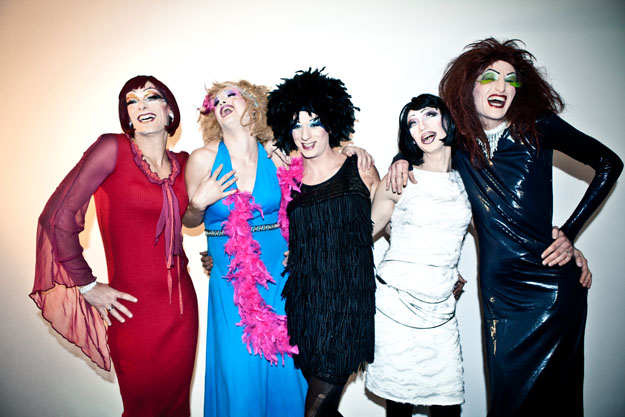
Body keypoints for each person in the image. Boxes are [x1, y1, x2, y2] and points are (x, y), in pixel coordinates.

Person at [388, 38, 622, 416]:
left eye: (510, 80)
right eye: (489, 77)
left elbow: (609, 163)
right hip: (500, 292)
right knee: (507, 401)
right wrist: (400, 158)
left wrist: (570, 232)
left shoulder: (538, 127)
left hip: (551, 289)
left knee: (557, 403)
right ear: (468, 86)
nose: (501, 87)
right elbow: (421, 144)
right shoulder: (459, 144)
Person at [31, 75, 199, 416]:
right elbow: (57, 218)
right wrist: (87, 285)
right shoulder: (112, 150)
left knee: (177, 407)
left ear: (169, 111)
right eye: (132, 101)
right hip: (132, 311)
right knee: (141, 408)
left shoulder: (184, 164)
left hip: (182, 312)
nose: (141, 105)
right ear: (127, 117)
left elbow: (209, 211)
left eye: (151, 97)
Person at [183, 80, 308, 417]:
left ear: (253, 104)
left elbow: (310, 192)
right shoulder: (203, 159)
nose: (222, 102)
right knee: (239, 377)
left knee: (286, 374)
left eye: (231, 95)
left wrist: (355, 152)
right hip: (231, 285)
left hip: (279, 280)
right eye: (216, 100)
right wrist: (197, 203)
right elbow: (190, 221)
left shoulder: (277, 155)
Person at [267, 68, 380, 417]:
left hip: (348, 307)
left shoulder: (359, 167)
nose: (305, 134)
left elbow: (389, 221)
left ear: (331, 121)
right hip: (306, 308)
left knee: (314, 413)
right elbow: (260, 224)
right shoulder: (288, 179)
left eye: (314, 122)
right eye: (296, 124)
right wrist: (213, 250)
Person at [365, 94, 469, 417]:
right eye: (412, 122)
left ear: (448, 120)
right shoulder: (400, 178)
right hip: (395, 308)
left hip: (441, 311)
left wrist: (562, 241)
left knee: (448, 406)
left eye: (429, 115)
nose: (421, 126)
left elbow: (499, 233)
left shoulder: (470, 181)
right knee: (399, 408)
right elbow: (360, 234)